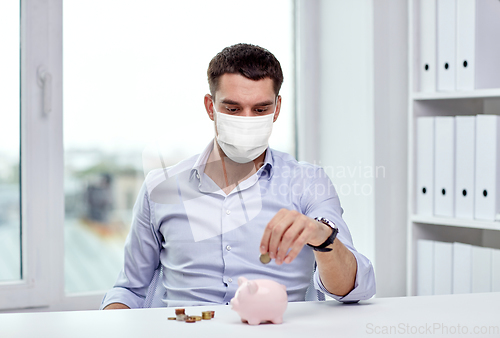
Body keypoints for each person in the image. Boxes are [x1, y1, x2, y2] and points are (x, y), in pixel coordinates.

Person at [101, 43, 375, 310]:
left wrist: (321, 236)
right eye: (232, 109)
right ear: (211, 107)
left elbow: (353, 289)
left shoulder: (307, 182)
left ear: (277, 109)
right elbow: (129, 289)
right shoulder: (160, 187)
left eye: (260, 109)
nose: (246, 121)